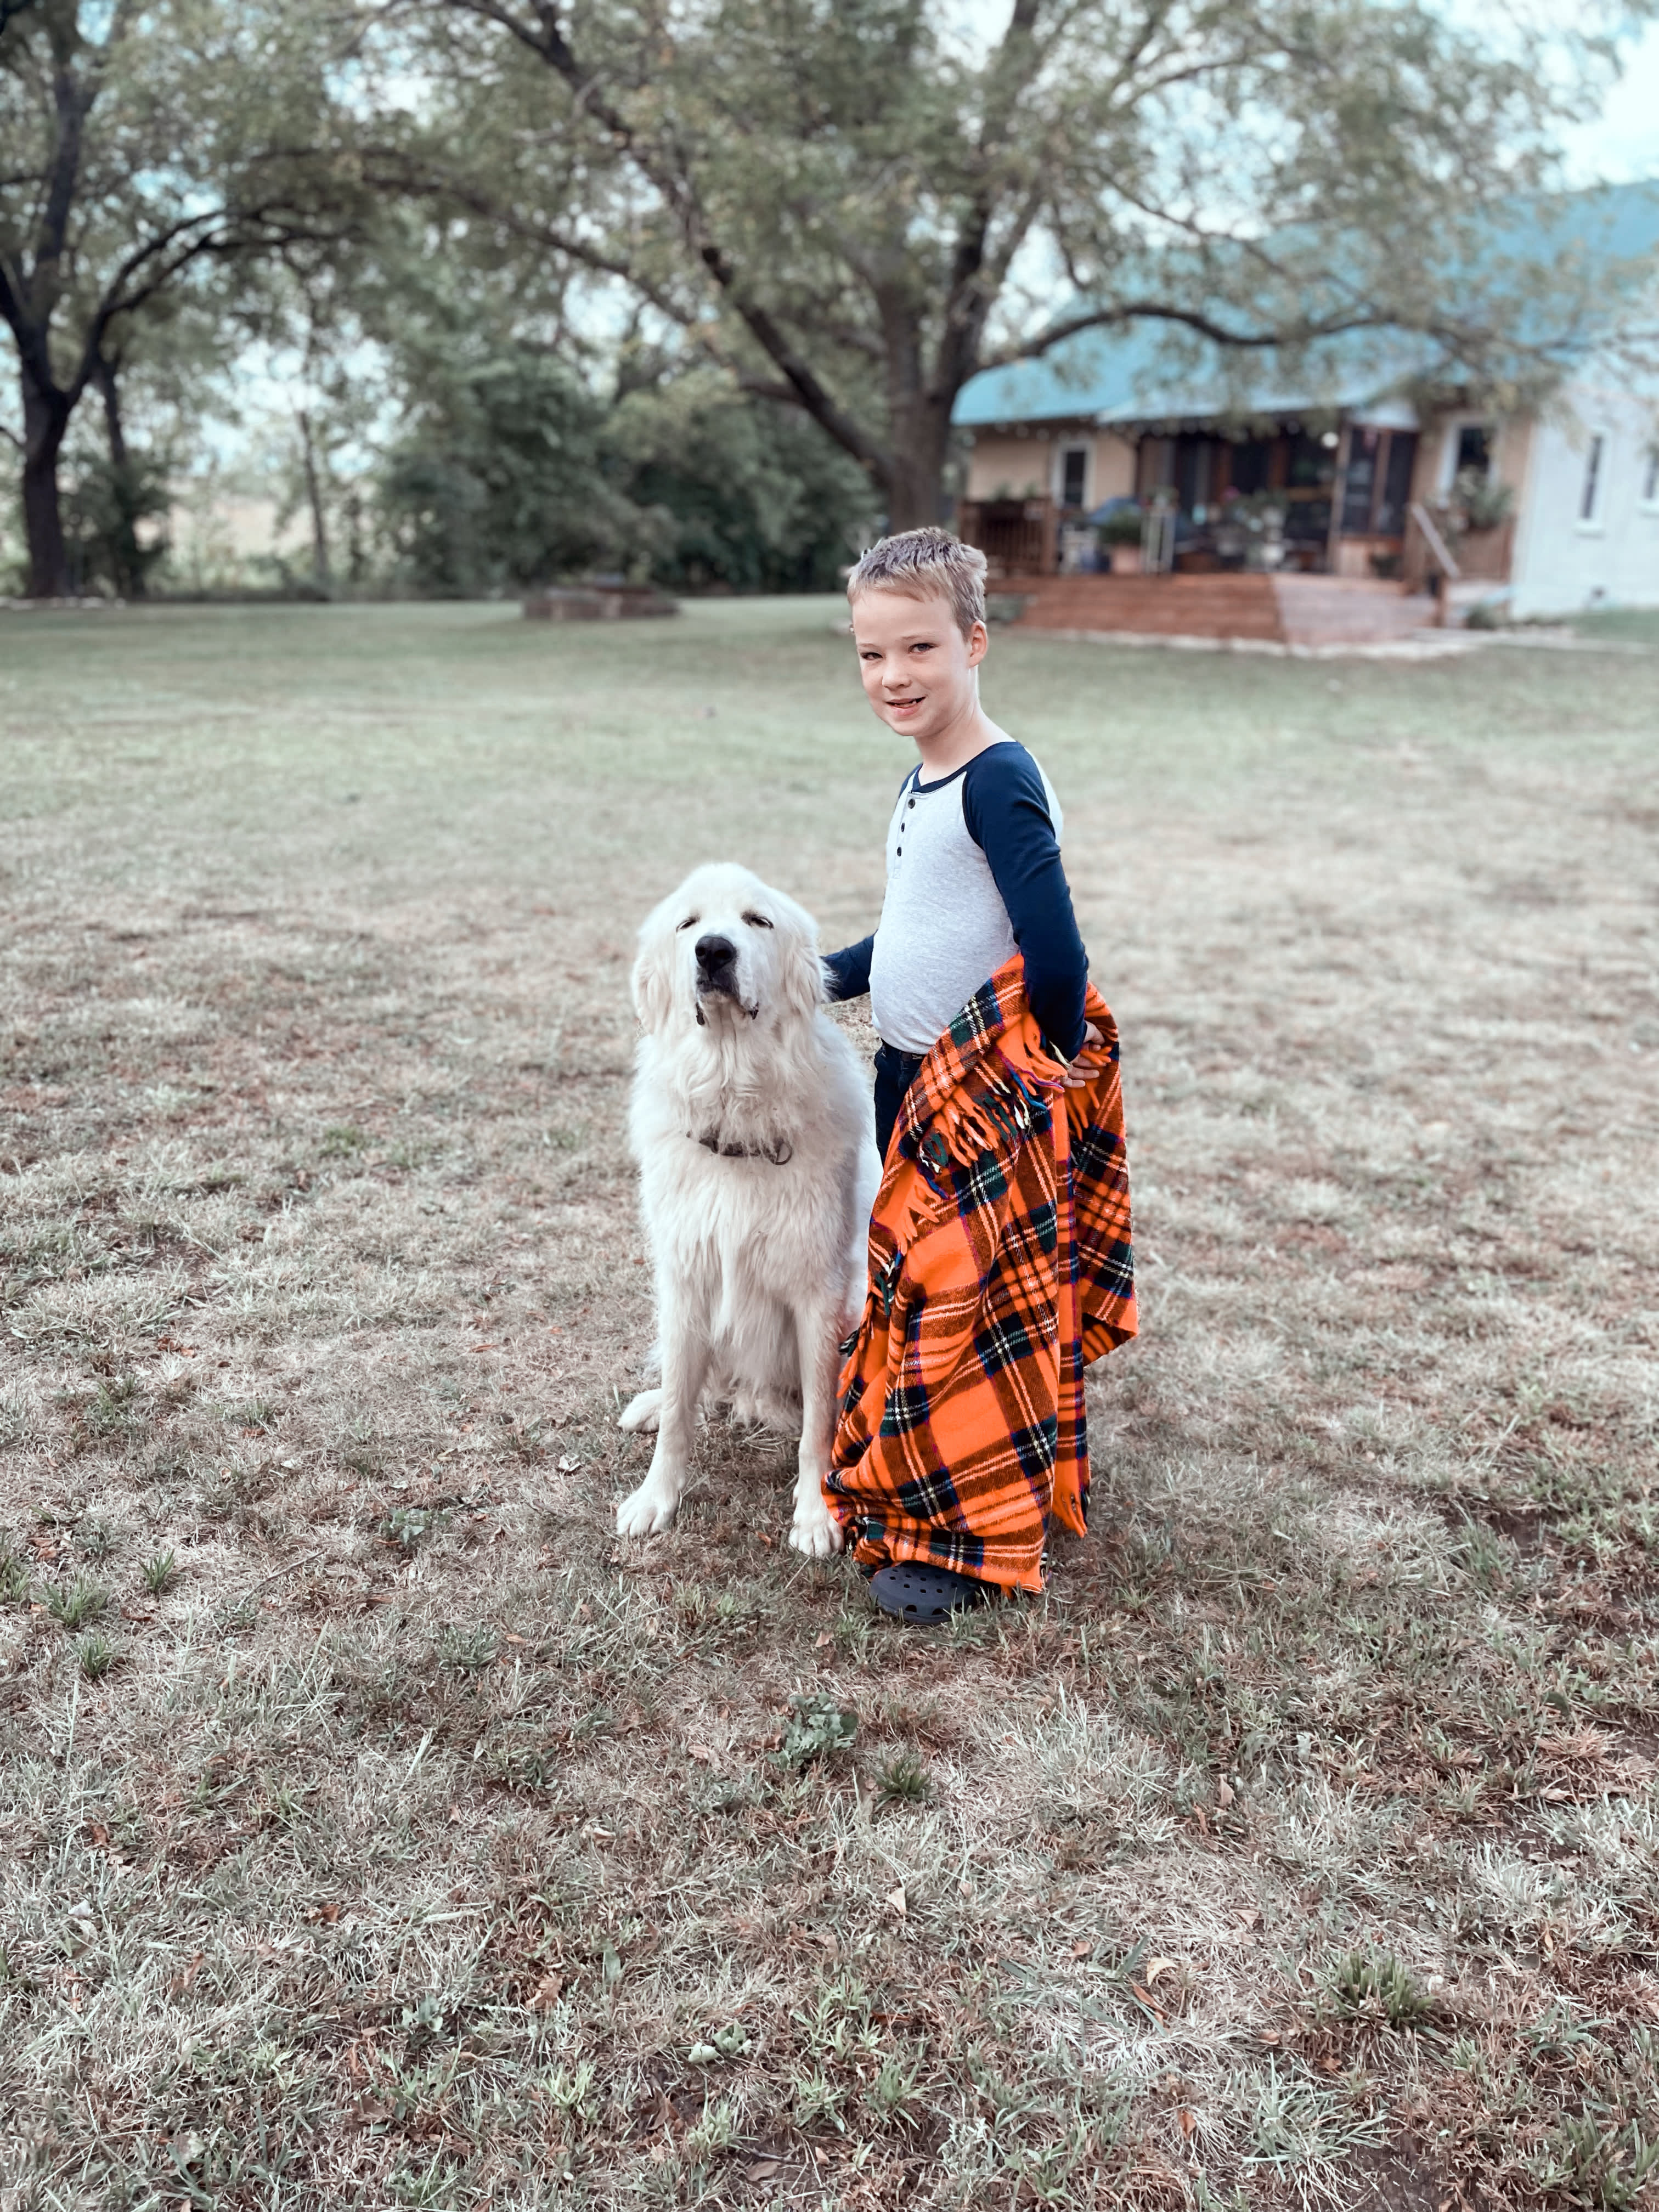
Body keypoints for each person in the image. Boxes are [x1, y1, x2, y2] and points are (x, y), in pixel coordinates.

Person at [821, 527, 1137, 1622]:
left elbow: (1057, 955)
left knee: (960, 1301)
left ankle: (961, 1543)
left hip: (975, 1097)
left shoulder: (999, 778)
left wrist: (1026, 1087)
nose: (894, 676)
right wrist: (823, 978)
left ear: (974, 643)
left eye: (918, 649)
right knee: (914, 1292)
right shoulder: (926, 778)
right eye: (872, 655)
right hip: (903, 1073)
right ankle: (916, 1481)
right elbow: (915, 932)